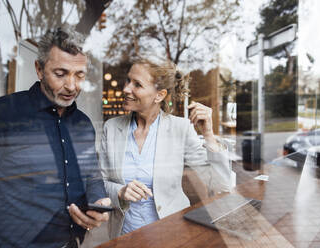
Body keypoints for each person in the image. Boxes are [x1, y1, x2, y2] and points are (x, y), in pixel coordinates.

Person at [0, 26, 110, 248]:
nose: (71, 86)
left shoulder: (84, 124)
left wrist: (98, 202)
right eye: (60, 74)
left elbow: (92, 176)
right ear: (39, 69)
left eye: (79, 75)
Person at [99, 58, 232, 238]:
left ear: (159, 95)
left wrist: (208, 134)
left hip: (171, 233)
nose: (126, 89)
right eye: (128, 80)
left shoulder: (181, 128)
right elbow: (101, 183)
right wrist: (120, 192)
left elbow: (220, 184)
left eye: (137, 84)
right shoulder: (112, 128)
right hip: (124, 236)